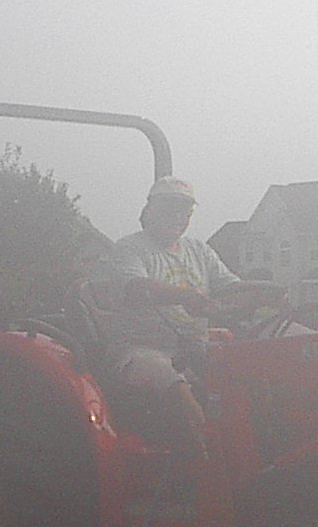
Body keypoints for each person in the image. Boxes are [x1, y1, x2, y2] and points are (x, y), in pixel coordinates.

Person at [102, 176, 285, 458]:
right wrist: (184, 296)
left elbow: (229, 287)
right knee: (172, 381)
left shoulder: (198, 250)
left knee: (252, 370)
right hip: (142, 349)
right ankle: (204, 455)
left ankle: (265, 447)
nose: (178, 215)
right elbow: (136, 288)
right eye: (170, 207)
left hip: (195, 345)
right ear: (150, 209)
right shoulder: (129, 249)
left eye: (185, 210)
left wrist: (261, 294)